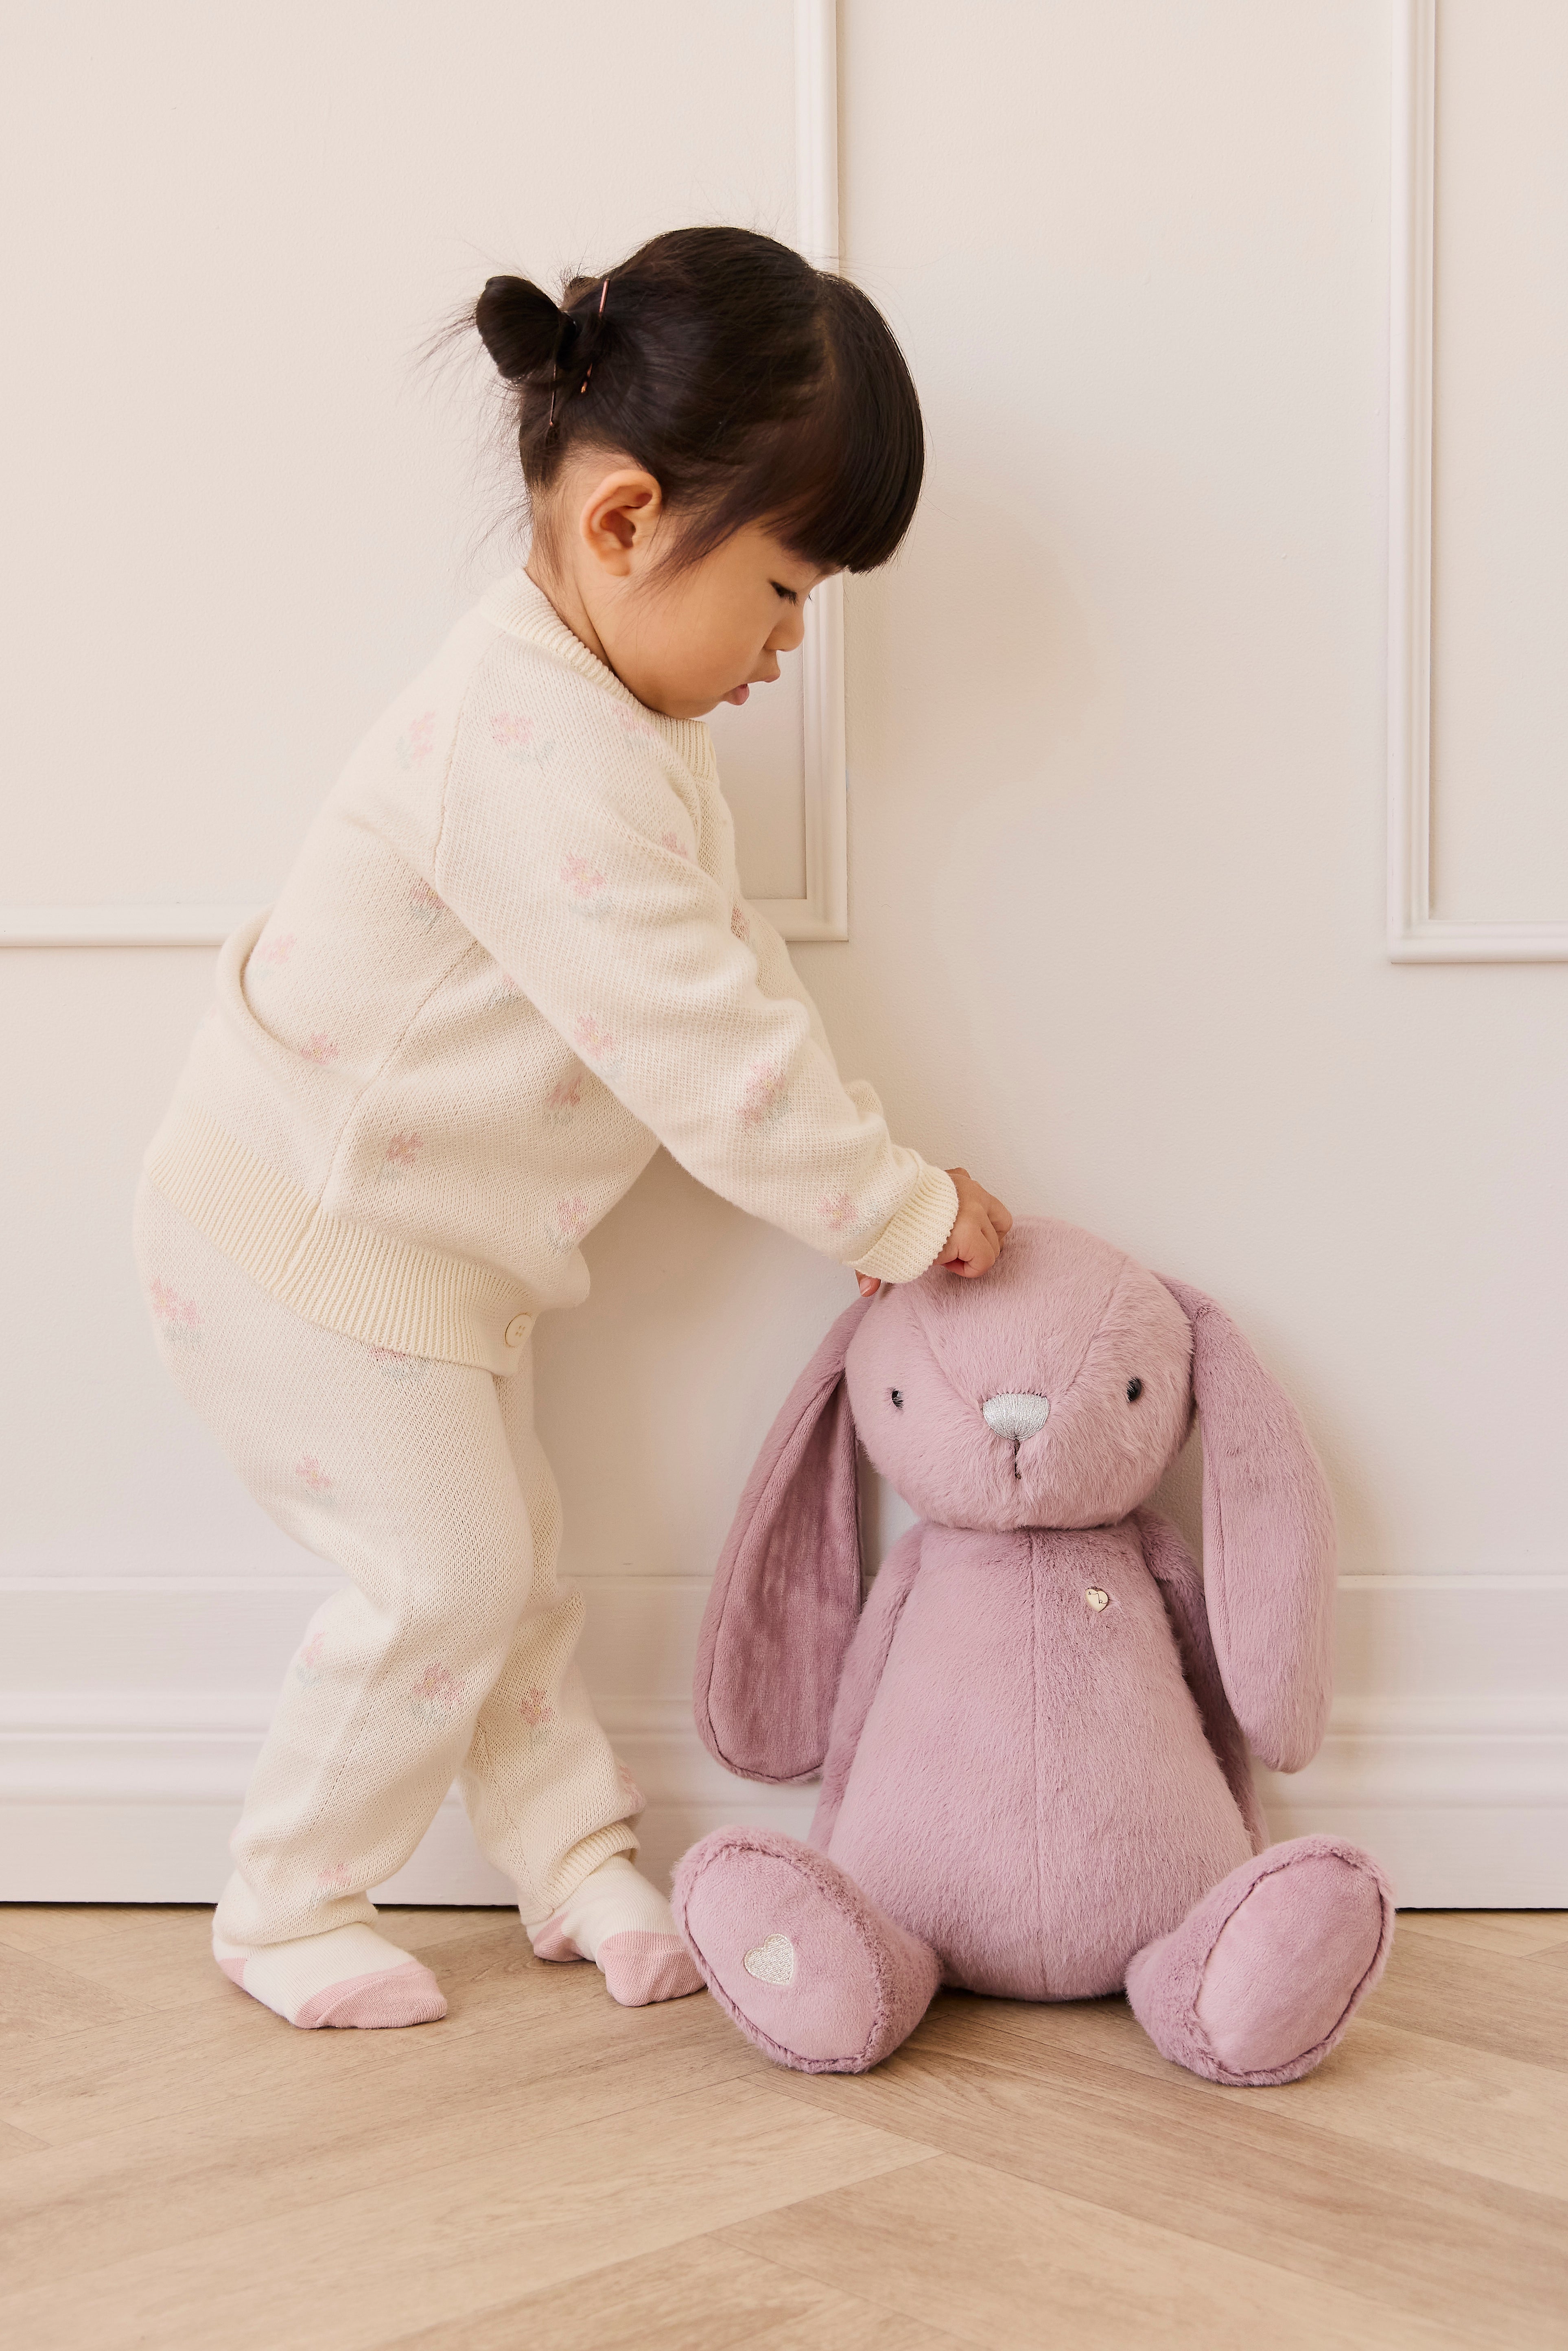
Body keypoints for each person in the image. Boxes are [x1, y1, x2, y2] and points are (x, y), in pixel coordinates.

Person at [134, 226, 1013, 2032]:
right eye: (783, 590)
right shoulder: (524, 748)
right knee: (446, 1576)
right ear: (626, 523)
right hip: (297, 1249)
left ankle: (570, 1854)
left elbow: (723, 968)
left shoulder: (612, 716)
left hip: (415, 1265)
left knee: (512, 1566)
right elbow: (699, 1047)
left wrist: (870, 1178)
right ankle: (287, 1898)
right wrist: (895, 1207)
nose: (790, 644)